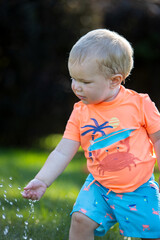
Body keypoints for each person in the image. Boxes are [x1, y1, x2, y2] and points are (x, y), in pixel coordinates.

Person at [22, 29, 160, 240]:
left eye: (85, 82)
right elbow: (62, 151)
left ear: (114, 80)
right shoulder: (80, 112)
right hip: (99, 186)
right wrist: (42, 180)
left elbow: (158, 139)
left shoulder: (141, 104)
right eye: (73, 78)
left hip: (138, 188)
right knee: (80, 220)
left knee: (152, 233)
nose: (76, 87)